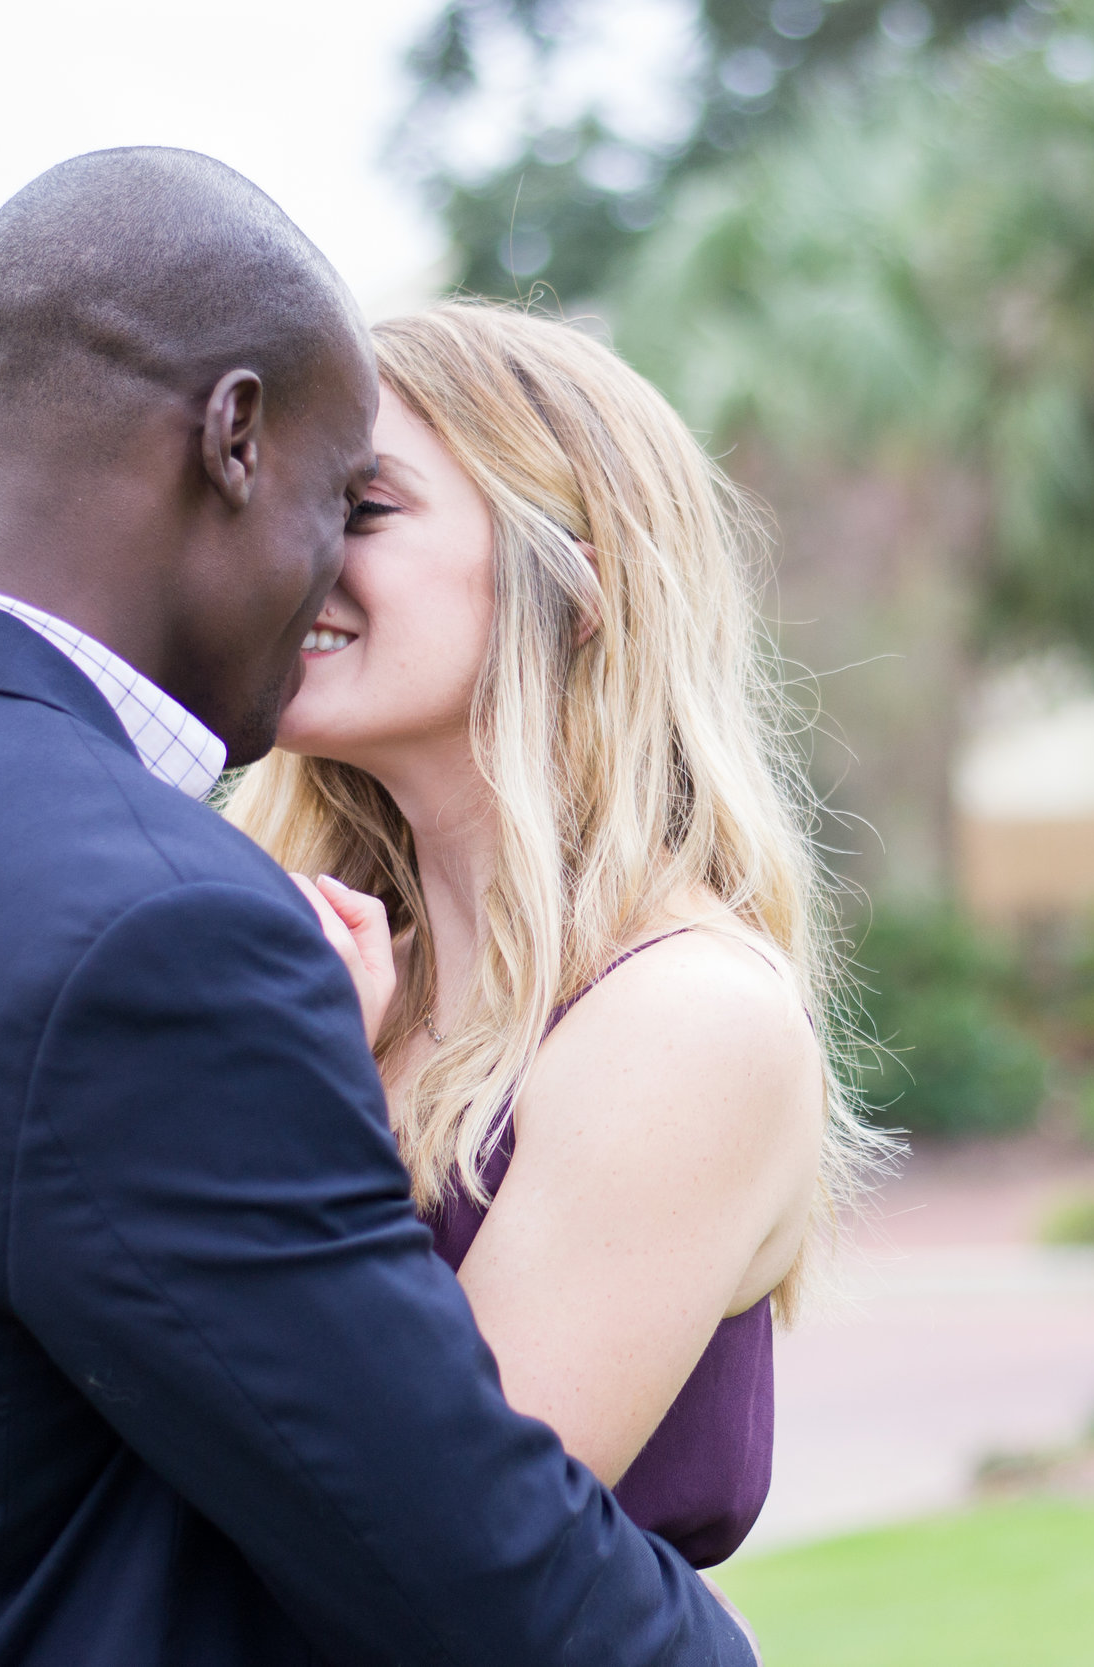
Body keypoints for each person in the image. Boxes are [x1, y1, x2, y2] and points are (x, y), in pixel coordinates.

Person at [0, 149, 753, 1666]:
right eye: (329, 494)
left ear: (583, 575)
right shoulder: (176, 935)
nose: (320, 565)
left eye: (379, 507)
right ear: (233, 438)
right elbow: (457, 1568)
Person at [227, 304, 891, 1570]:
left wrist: (305, 1106)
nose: (290, 556)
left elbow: (424, 1534)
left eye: (360, 509)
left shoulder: (681, 1020)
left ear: (575, 583)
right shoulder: (340, 971)